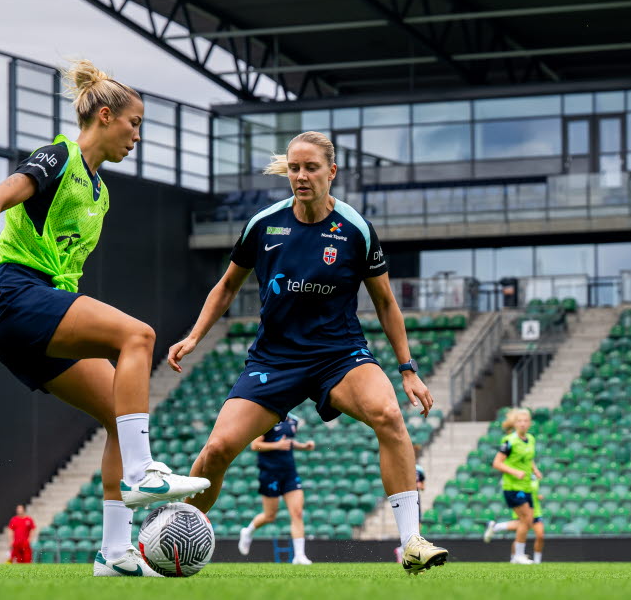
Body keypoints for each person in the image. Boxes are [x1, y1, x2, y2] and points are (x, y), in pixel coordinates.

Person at [0, 59, 208, 578]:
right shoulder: (57, 156)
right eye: (135, 124)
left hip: (33, 308)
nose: (138, 136)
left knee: (118, 412)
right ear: (106, 116)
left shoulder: (100, 192)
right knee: (139, 335)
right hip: (14, 292)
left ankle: (114, 553)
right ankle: (140, 472)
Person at [167, 131, 448, 575]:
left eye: (311, 167)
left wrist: (407, 369)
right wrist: (194, 336)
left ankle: (411, 541)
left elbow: (386, 303)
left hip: (339, 355)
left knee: (389, 416)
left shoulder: (356, 229)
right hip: (274, 361)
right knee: (218, 447)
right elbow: (226, 287)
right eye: (294, 168)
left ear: (331, 172)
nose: (300, 175)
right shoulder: (264, 225)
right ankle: (173, 537)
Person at [237, 414, 315, 564]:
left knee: (297, 513)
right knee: (270, 516)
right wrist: (276, 446)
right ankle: (248, 532)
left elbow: (287, 441)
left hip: (289, 473)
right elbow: (255, 445)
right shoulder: (266, 419)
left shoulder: (294, 420)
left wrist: (303, 446)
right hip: (270, 473)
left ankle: (299, 555)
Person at [487, 408, 541, 565]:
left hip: (526, 487)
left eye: (525, 421)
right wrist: (515, 472)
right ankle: (518, 555)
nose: (523, 424)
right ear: (515, 423)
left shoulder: (530, 439)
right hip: (512, 486)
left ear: (529, 423)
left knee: (528, 521)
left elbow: (528, 458)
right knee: (525, 520)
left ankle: (498, 530)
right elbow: (496, 463)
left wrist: (535, 470)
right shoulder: (509, 441)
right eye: (520, 421)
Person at [484, 478, 546, 564]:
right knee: (521, 533)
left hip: (536, 512)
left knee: (540, 535)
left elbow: (532, 492)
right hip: (523, 510)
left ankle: (537, 561)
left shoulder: (534, 478)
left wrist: (537, 496)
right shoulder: (519, 477)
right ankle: (514, 558)